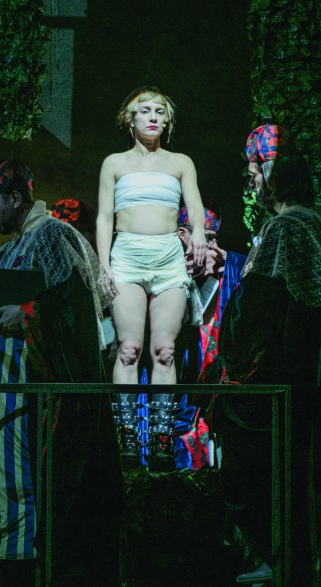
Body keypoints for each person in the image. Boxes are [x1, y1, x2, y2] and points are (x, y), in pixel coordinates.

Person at [0, 161, 121, 587]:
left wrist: (25, 314)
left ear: (16, 198)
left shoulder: (53, 234)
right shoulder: (18, 245)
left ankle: (10, 566)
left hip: (30, 393)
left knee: (21, 479)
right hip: (4, 389)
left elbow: (74, 307)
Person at [214, 146, 321, 586]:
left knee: (275, 464)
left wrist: (233, 340)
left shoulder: (286, 226)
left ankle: (285, 558)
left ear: (274, 176)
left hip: (294, 369)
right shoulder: (317, 220)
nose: (252, 182)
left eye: (255, 172)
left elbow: (260, 306)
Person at [96, 86, 208, 466]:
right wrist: (104, 265)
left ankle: (161, 439)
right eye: (145, 110)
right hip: (127, 257)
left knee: (165, 350)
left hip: (168, 259)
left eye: (160, 111)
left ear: (168, 121)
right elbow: (104, 217)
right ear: (131, 119)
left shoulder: (180, 163)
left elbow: (195, 206)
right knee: (128, 349)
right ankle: (127, 438)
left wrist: (197, 230)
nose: (153, 117)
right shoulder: (114, 163)